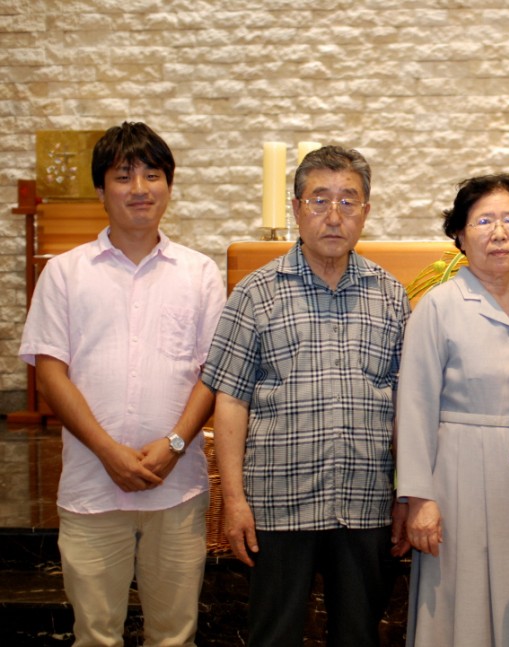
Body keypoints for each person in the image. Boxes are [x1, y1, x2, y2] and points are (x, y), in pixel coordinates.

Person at [18, 122, 226, 646]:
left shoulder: (199, 273)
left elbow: (213, 372)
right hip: (92, 486)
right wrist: (109, 451)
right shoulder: (65, 273)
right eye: (123, 176)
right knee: (95, 636)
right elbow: (50, 373)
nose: (139, 189)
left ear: (169, 186)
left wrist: (174, 444)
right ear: (100, 189)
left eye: (152, 175)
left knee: (174, 637)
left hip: (176, 489)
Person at [201, 145, 411, 647]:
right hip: (278, 503)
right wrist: (234, 501)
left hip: (364, 503)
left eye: (348, 201)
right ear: (296, 209)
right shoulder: (255, 294)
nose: (334, 215)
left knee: (358, 636)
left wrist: (406, 495)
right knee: (274, 636)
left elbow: (407, 405)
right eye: (319, 200)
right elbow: (230, 401)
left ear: (366, 211)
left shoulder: (390, 295)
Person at [397, 174, 509, 646]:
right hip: (458, 476)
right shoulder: (438, 307)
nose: (499, 233)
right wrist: (419, 499)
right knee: (460, 604)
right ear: (460, 235)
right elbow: (414, 405)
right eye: (483, 221)